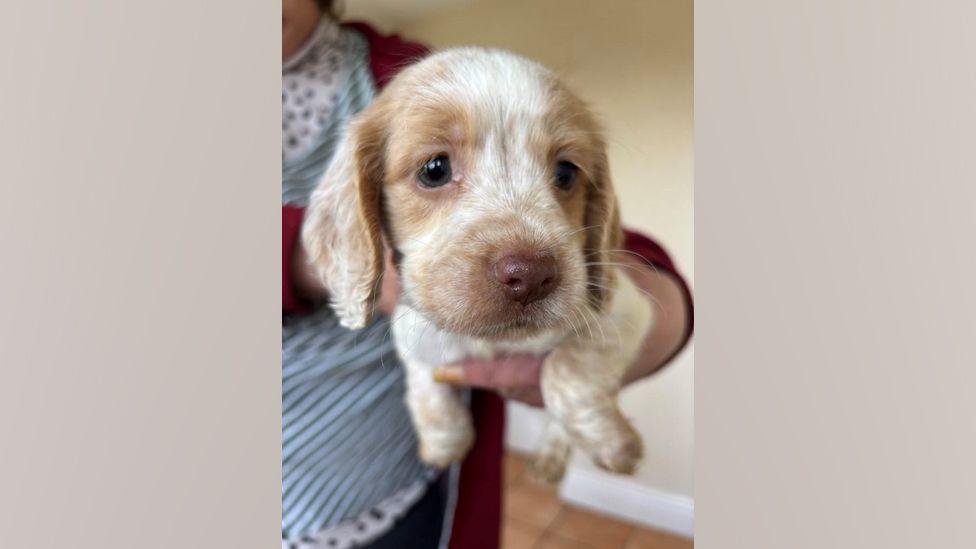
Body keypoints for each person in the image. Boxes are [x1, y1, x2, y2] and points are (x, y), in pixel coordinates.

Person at [281, 1, 694, 547]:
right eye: (436, 171)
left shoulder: (413, 77)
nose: (523, 255)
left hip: (392, 485)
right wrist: (309, 262)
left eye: (563, 173)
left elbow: (622, 255)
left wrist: (656, 314)